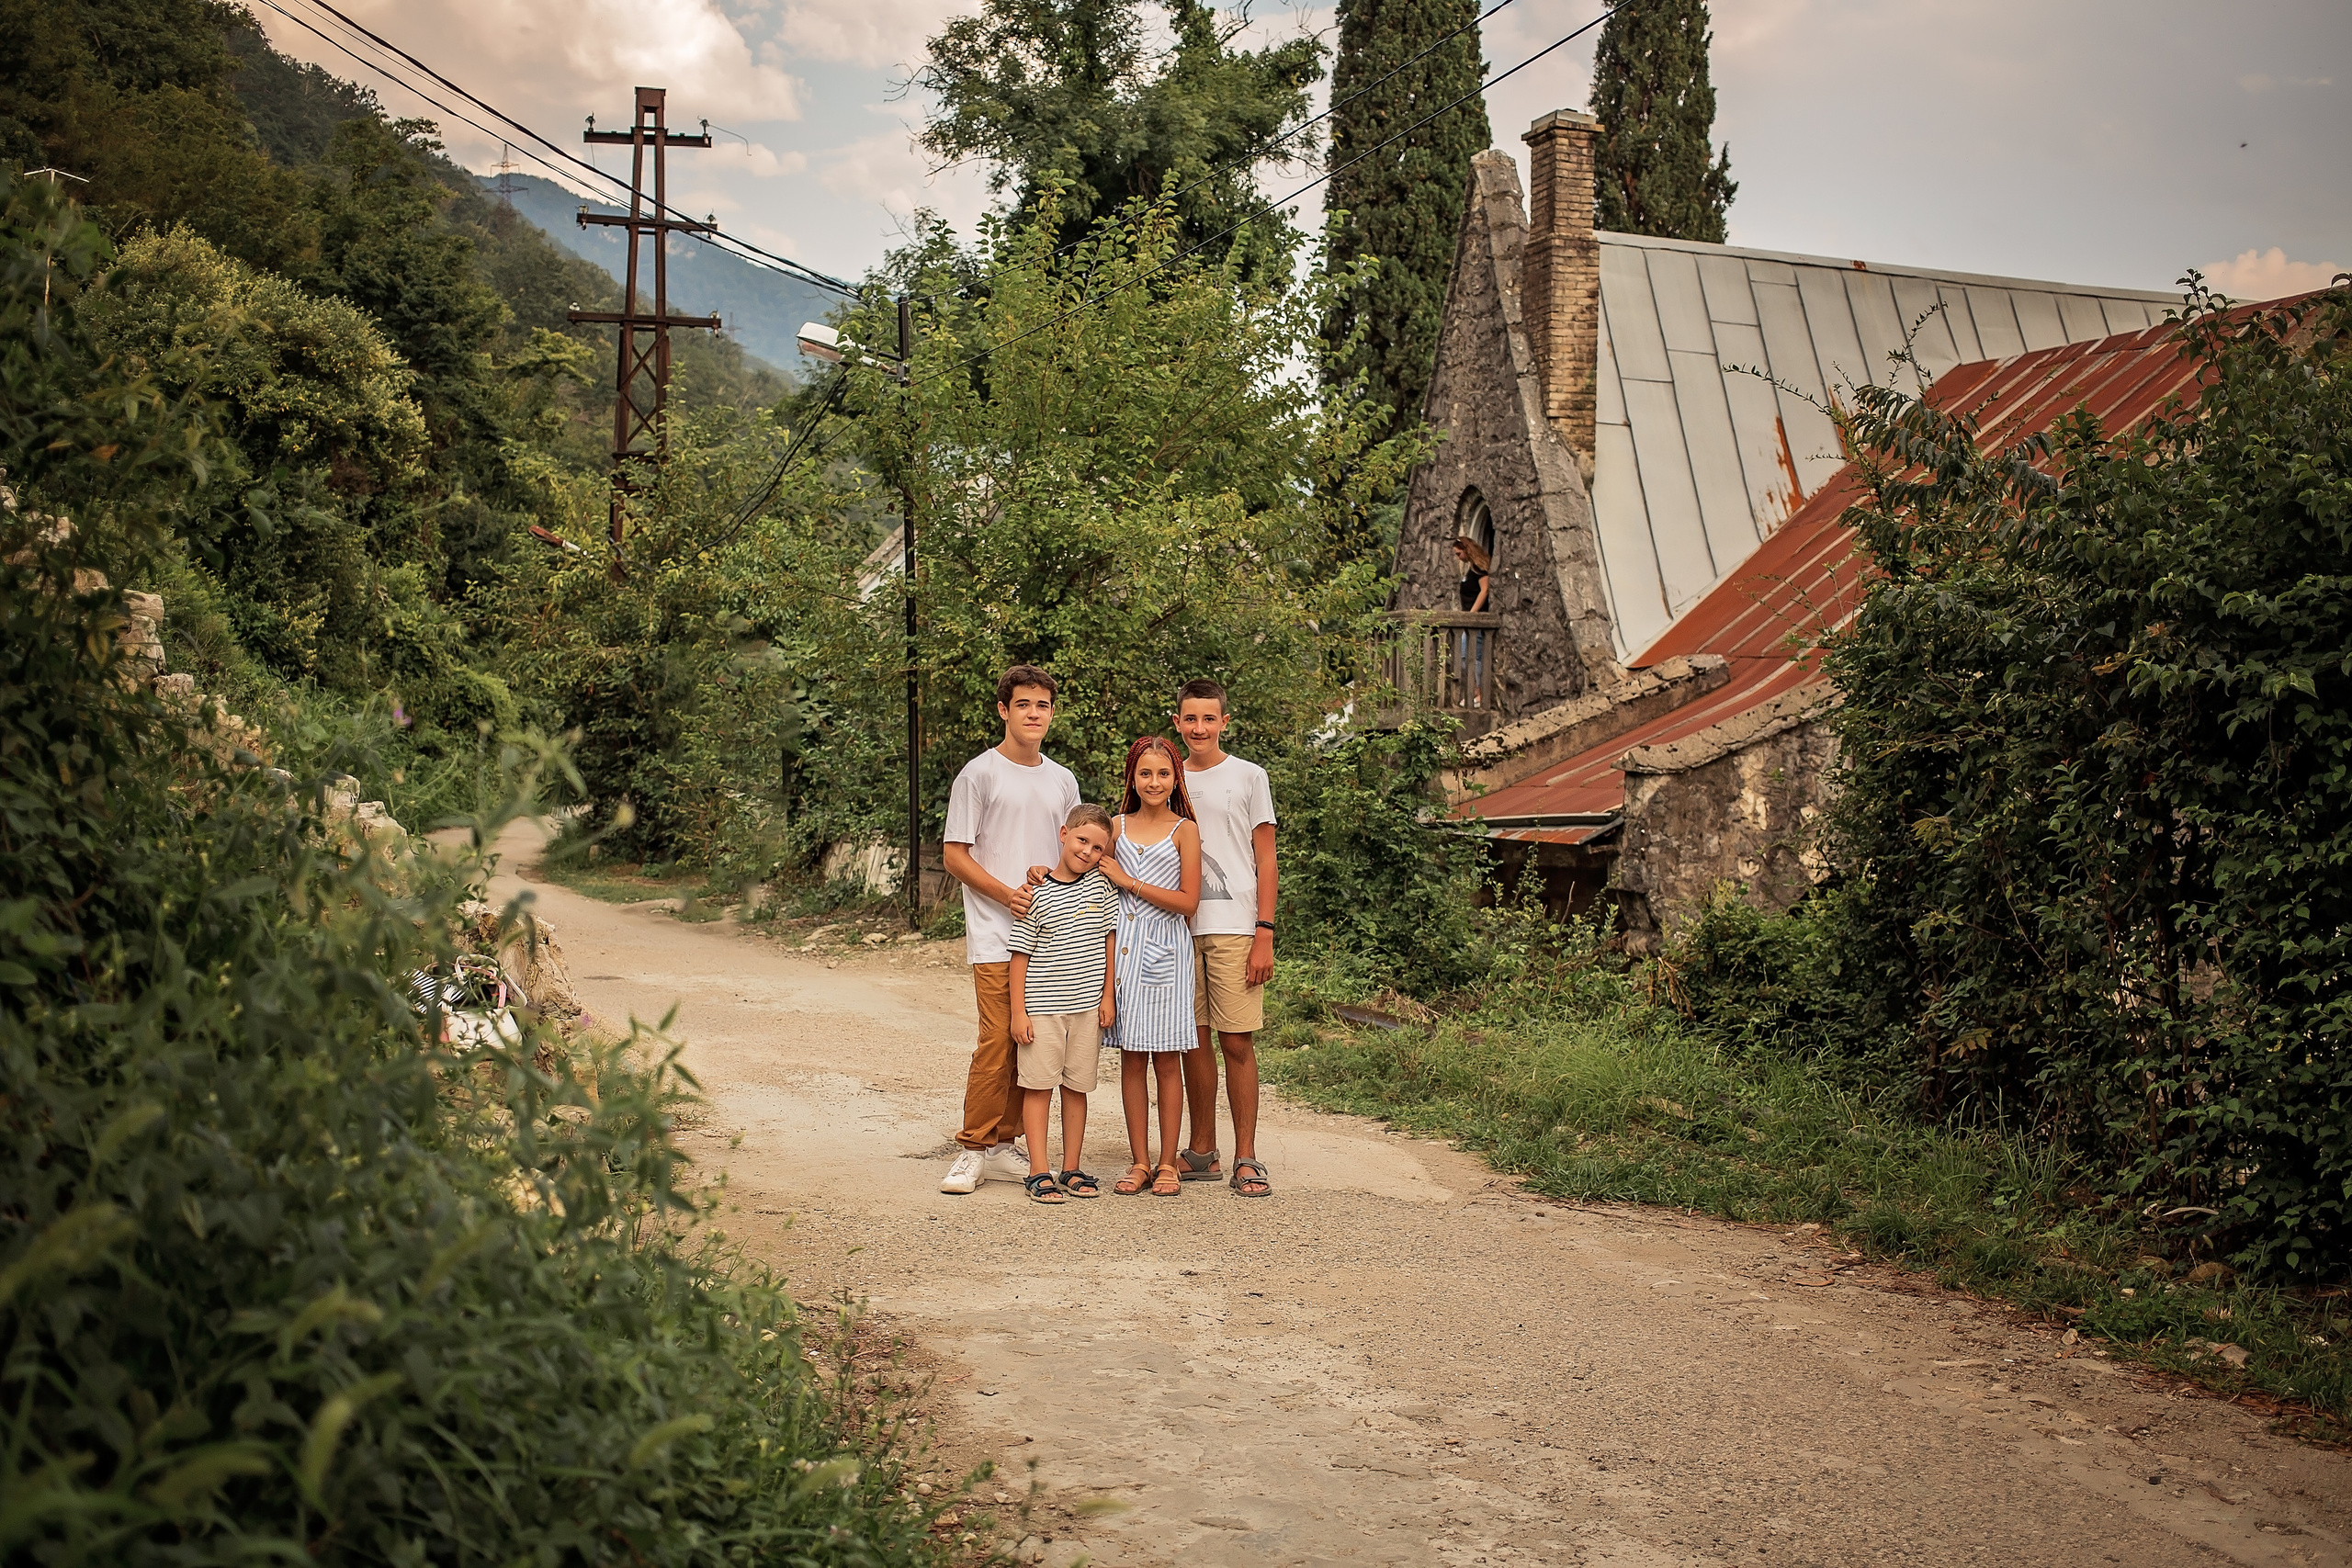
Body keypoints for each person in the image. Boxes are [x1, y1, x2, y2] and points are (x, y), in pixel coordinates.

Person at [939, 665, 1081, 1195]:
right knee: (997, 1038)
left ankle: (1005, 1143)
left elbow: (1074, 852)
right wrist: (1007, 894)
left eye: (1042, 705)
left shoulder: (1062, 780)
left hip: (1053, 933)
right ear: (1004, 710)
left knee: (1034, 1040)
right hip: (997, 931)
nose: (1034, 714)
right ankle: (972, 1148)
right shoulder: (979, 775)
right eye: (1023, 704)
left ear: (1052, 712)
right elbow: (954, 854)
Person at [1170, 678, 1277, 1198]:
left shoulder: (1249, 777)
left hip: (1236, 927)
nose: (1199, 728)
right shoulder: (1169, 779)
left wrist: (1265, 931)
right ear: (1177, 723)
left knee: (1235, 1040)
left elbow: (1266, 857)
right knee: (1192, 1042)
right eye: (1190, 719)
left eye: (1209, 718)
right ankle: (1203, 1149)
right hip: (1176, 929)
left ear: (1224, 723)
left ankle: (1247, 1155)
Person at [1098, 737, 1202, 1199]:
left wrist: (1130, 882)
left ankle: (1168, 1163)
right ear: (1132, 778)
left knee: (1167, 1060)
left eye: (1163, 773)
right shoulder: (1115, 827)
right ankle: (1139, 1160)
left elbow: (1188, 902)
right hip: (1120, 952)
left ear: (1175, 777)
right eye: (1145, 773)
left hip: (1166, 952)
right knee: (1131, 1058)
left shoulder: (1184, 830)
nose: (1154, 782)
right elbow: (1081, 867)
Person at [1006, 805, 1121, 1205]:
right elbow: (1019, 955)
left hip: (1088, 1009)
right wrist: (1018, 1012)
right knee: (1038, 1088)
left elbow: (1109, 941)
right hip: (1043, 1010)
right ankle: (1039, 1170)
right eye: (1081, 840)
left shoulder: (1103, 889)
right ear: (1063, 834)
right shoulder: (1035, 893)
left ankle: (1071, 1168)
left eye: (1097, 847)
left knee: (1077, 1088)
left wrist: (1108, 996)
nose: (1087, 851)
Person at [1452, 536, 1491, 708]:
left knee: (1475, 656)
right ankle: (1475, 691)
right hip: (1469, 621)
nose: (1458, 557)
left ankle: (1479, 693)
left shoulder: (1479, 569)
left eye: (1458, 553)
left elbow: (1484, 591)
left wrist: (1472, 614)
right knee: (1463, 655)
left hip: (1477, 621)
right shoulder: (1470, 570)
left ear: (1467, 550)